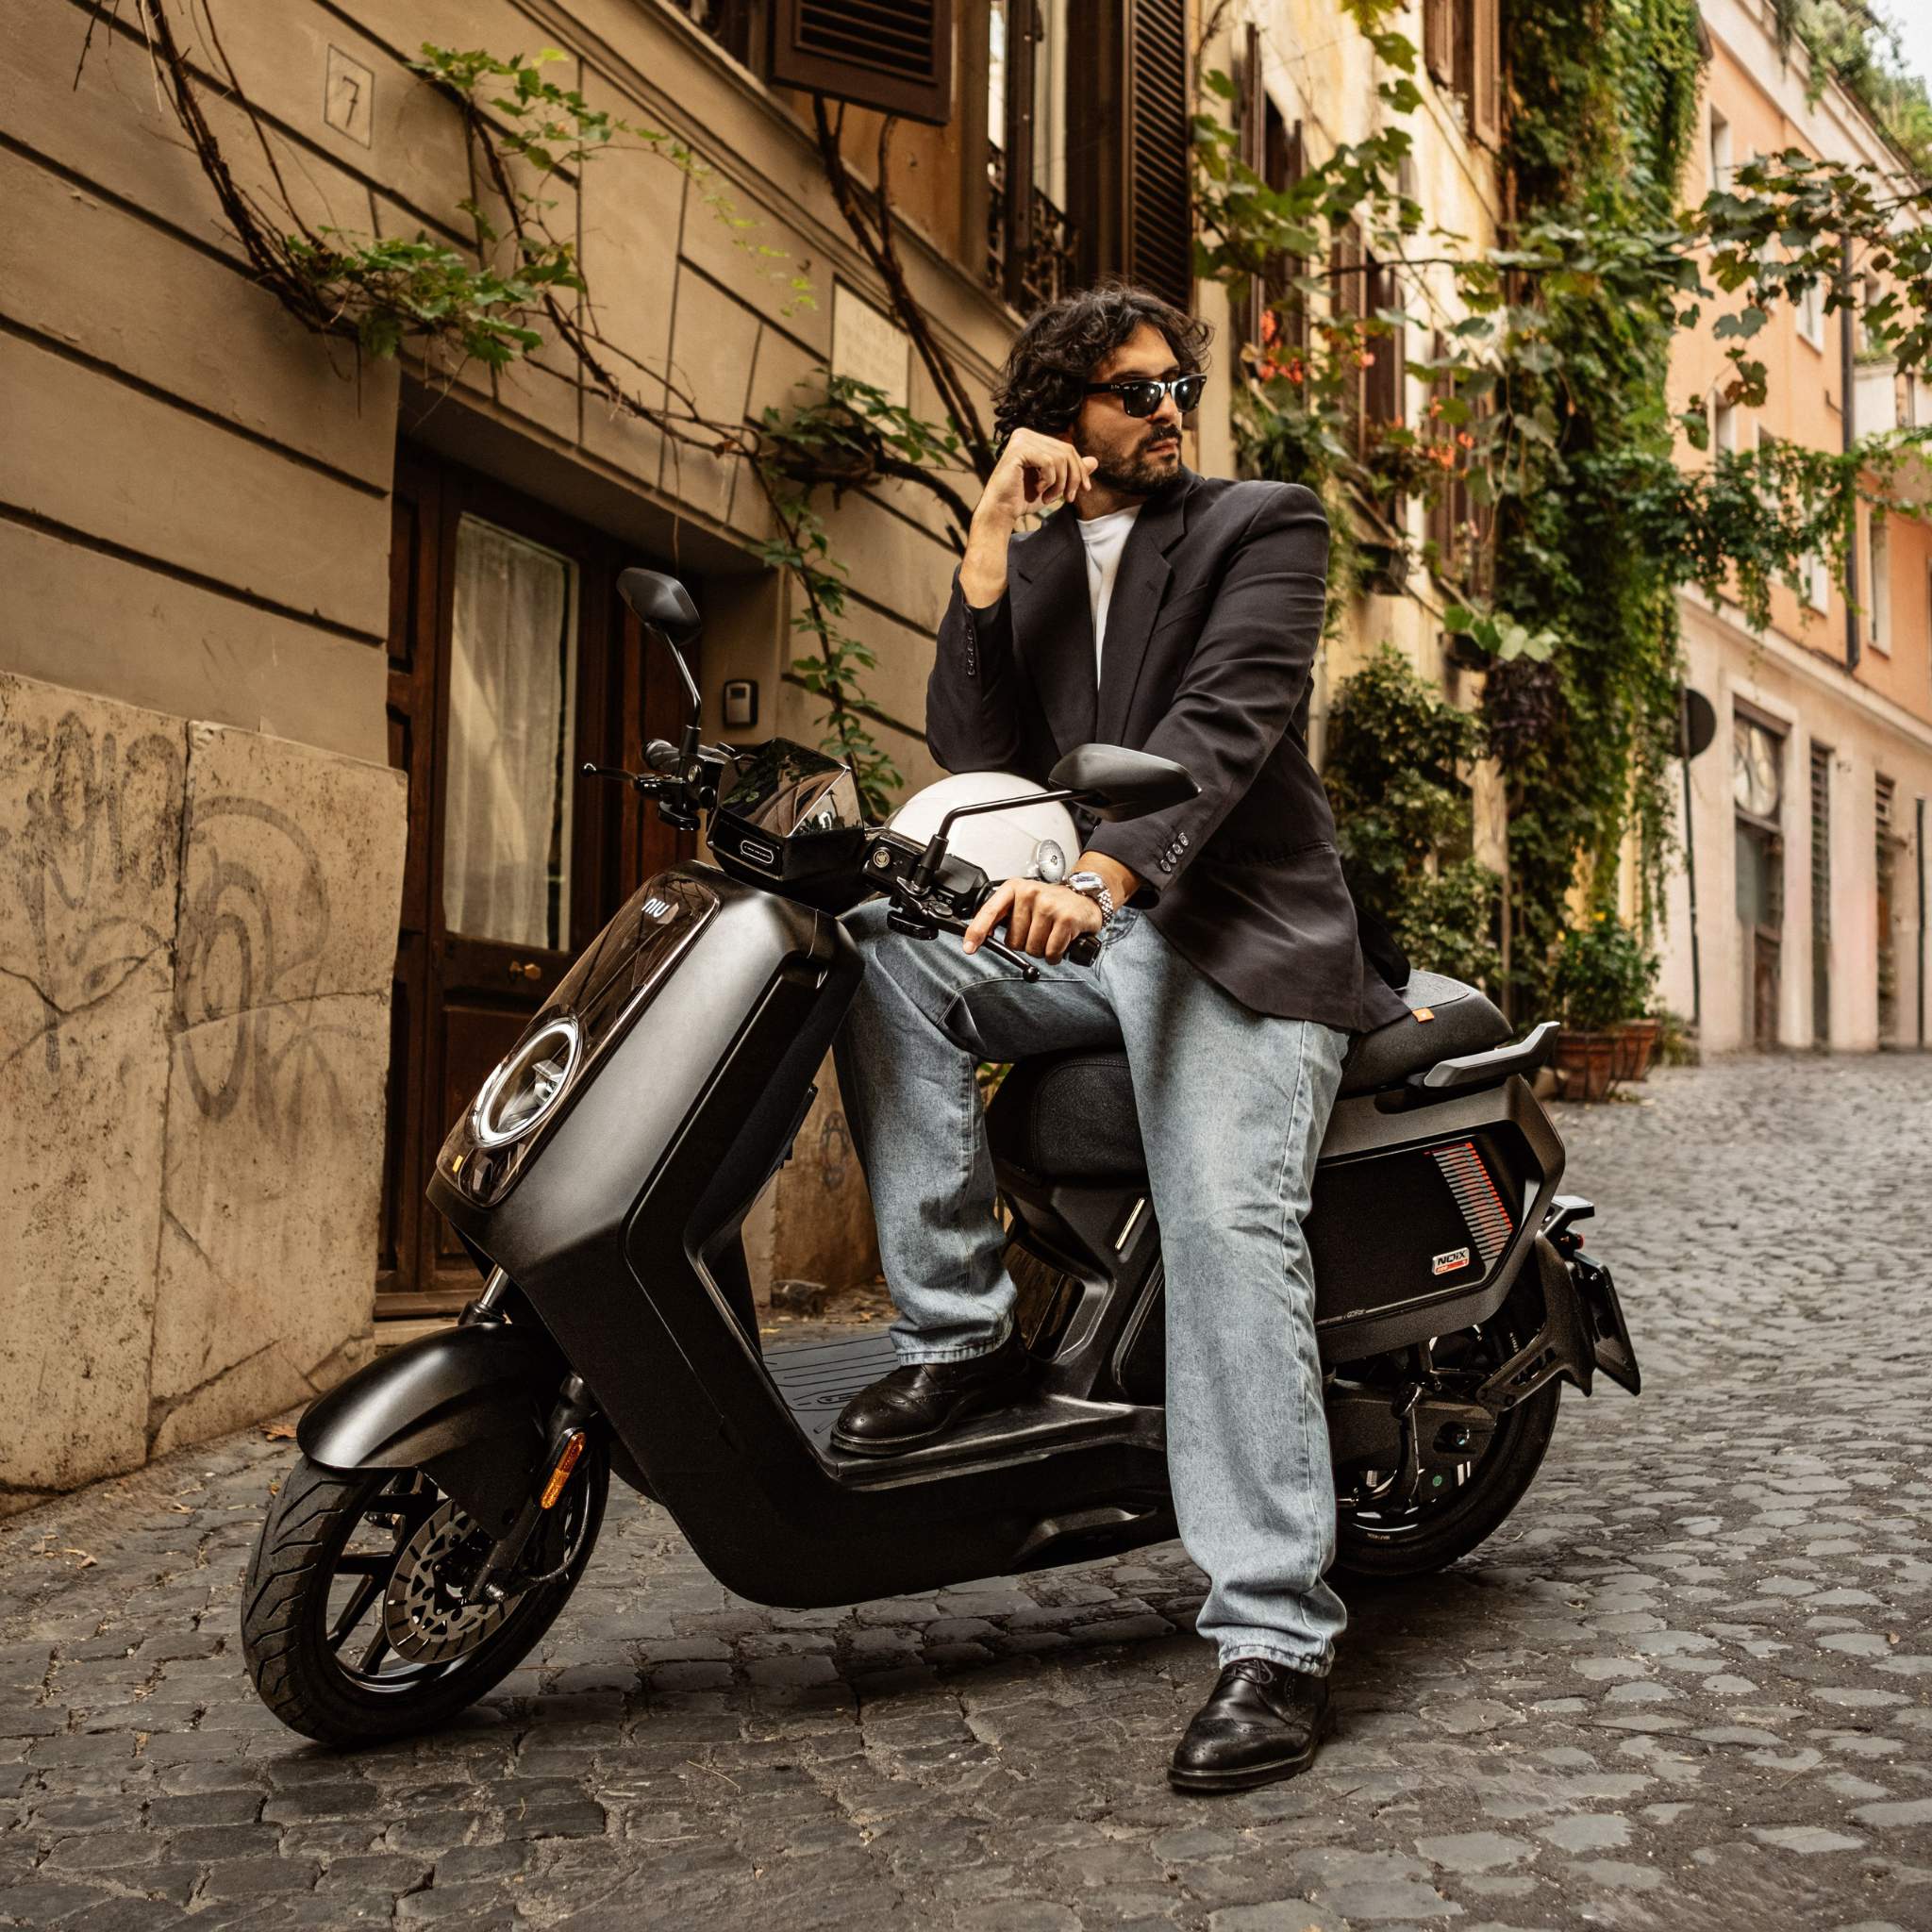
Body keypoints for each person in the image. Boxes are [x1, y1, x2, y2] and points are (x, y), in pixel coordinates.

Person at [830, 282, 1408, 1793]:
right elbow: (978, 753)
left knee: (1228, 1223)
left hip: (1229, 932)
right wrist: (979, 545)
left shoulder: (1258, 524)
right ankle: (958, 1339)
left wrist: (1095, 878)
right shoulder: (1028, 557)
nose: (1171, 411)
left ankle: (1275, 1630)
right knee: (883, 953)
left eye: (1180, 386)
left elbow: (1226, 726)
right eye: (1136, 392)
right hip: (1099, 937)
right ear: (1056, 417)